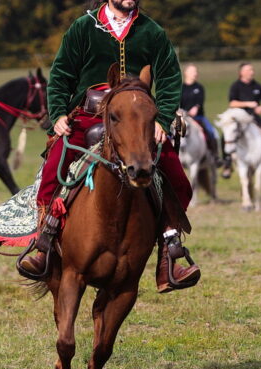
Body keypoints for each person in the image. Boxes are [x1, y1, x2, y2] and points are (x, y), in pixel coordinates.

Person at [19, 0, 200, 293]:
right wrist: (59, 115)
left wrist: (162, 120)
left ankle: (170, 253)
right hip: (89, 113)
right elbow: (62, 73)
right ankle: (44, 243)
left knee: (176, 177)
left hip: (137, 118)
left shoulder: (151, 31)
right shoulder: (82, 27)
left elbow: (169, 78)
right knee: (54, 167)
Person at [227, 62, 261, 172]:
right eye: (248, 70)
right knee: (226, 134)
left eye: (252, 70)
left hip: (253, 117)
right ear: (241, 73)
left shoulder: (257, 86)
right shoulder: (236, 86)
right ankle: (227, 162)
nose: (252, 72)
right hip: (239, 117)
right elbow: (232, 103)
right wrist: (248, 104)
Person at [181, 63, 221, 165]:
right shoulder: (180, 88)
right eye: (192, 71)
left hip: (198, 117)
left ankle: (215, 155)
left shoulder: (199, 87)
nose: (195, 74)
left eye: (196, 72)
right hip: (183, 118)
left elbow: (199, 102)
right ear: (186, 73)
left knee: (212, 132)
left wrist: (196, 108)